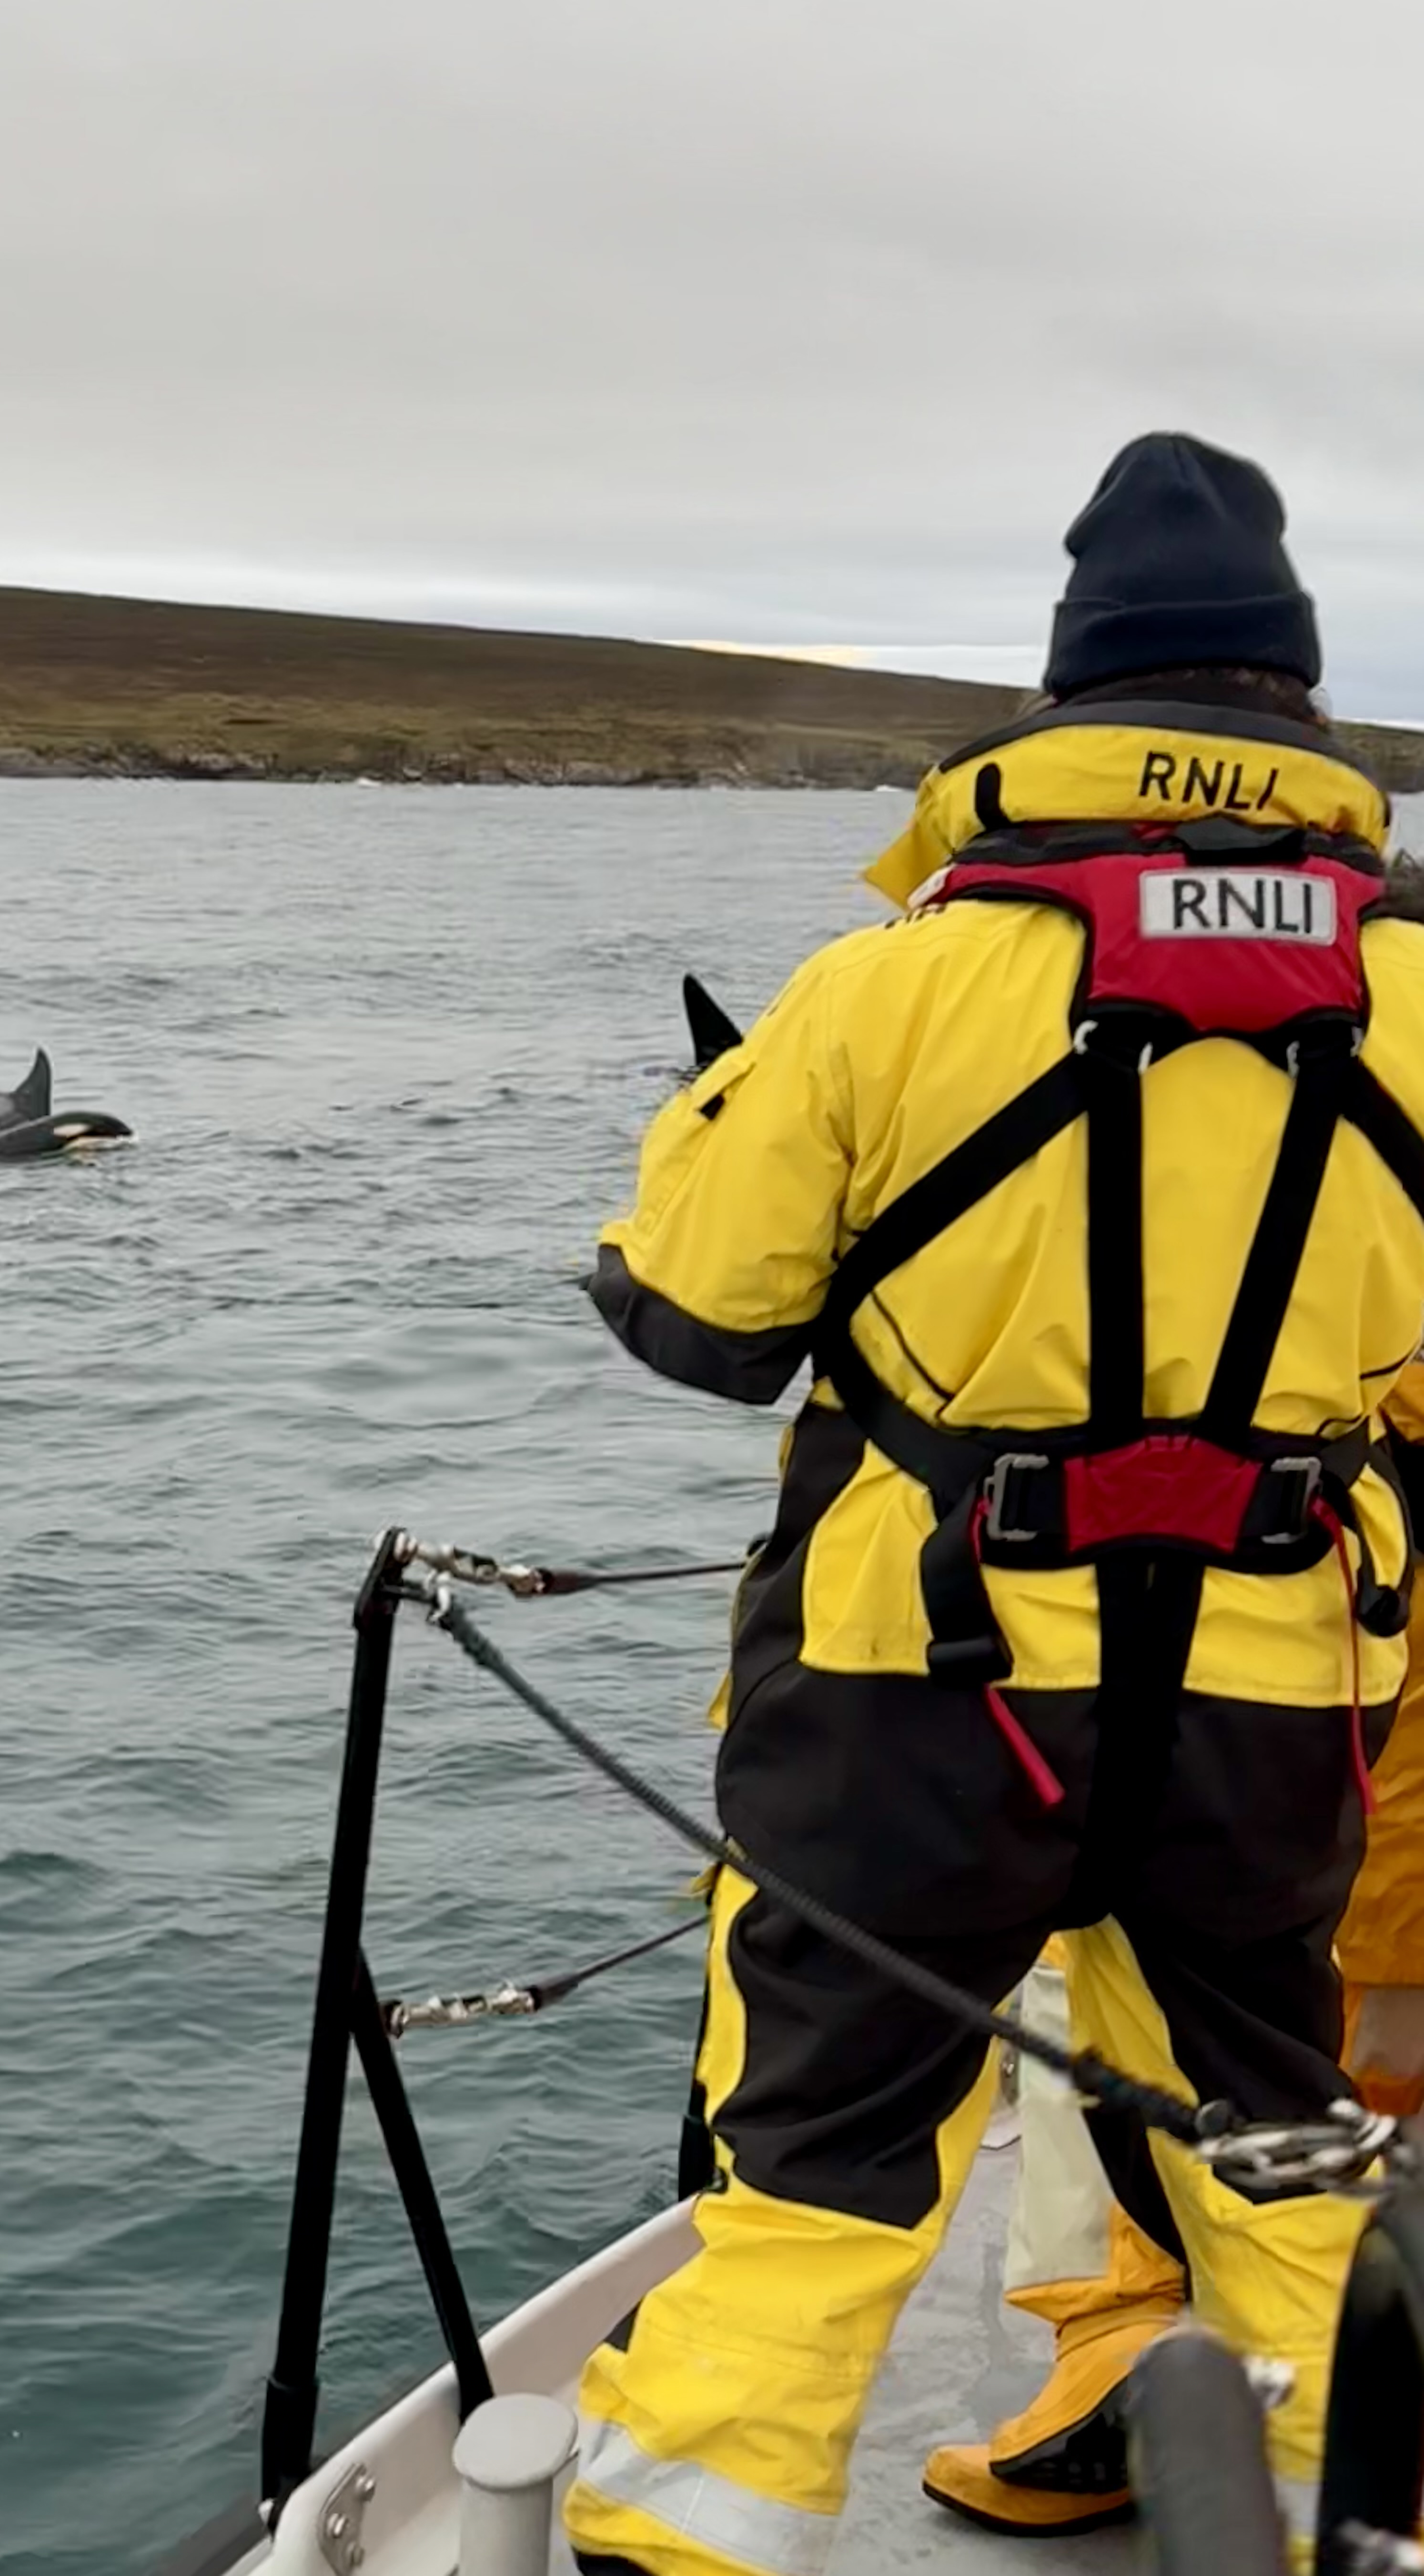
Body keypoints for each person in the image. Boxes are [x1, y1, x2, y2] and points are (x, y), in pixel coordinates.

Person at [563, 432, 1424, 2576]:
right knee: (1278, 2146)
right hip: (1274, 1683)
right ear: (1300, 711)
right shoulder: (1417, 991)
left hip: (911, 1688)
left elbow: (694, 1320)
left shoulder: (888, 982)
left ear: (1068, 698)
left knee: (821, 2182)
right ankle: (1360, 2535)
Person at [919, 1367, 1424, 2537]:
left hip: (1291, 1534)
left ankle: (1163, 2355)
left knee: (1194, 1975)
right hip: (1304, 1523)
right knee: (1276, 1982)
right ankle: (1152, 2354)